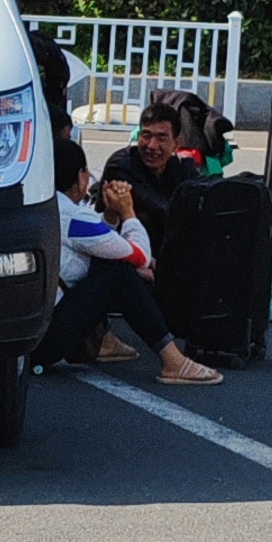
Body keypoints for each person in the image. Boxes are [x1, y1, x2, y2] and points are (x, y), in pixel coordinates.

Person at [30, 149, 221, 385]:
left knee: (113, 263)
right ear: (80, 177)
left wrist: (110, 214)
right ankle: (173, 360)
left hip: (30, 337)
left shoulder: (44, 208)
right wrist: (128, 212)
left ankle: (104, 341)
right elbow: (140, 255)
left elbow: (100, 242)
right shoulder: (73, 217)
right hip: (45, 342)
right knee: (121, 276)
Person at [93, 102, 199, 238]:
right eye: (146, 135)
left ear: (176, 144)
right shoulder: (121, 164)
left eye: (162, 138)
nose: (152, 145)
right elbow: (158, 208)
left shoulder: (181, 168)